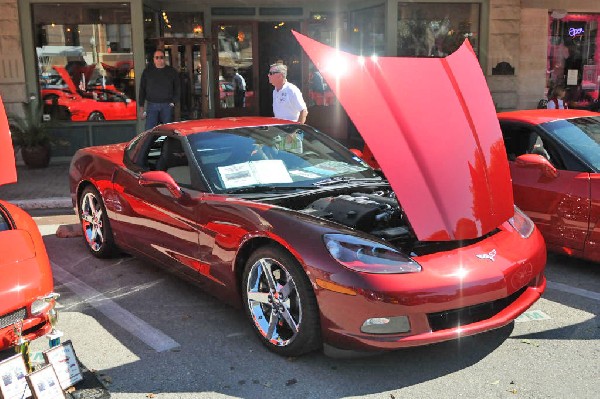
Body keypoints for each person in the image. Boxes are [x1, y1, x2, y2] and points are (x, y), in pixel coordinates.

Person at [139, 49, 180, 130]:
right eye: (157, 57)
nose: (159, 59)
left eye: (161, 57)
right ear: (153, 59)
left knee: (168, 131)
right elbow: (142, 89)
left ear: (164, 58)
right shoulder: (147, 72)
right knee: (149, 131)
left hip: (167, 105)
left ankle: (167, 143)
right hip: (151, 105)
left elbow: (178, 88)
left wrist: (173, 102)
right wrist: (141, 108)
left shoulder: (172, 71)